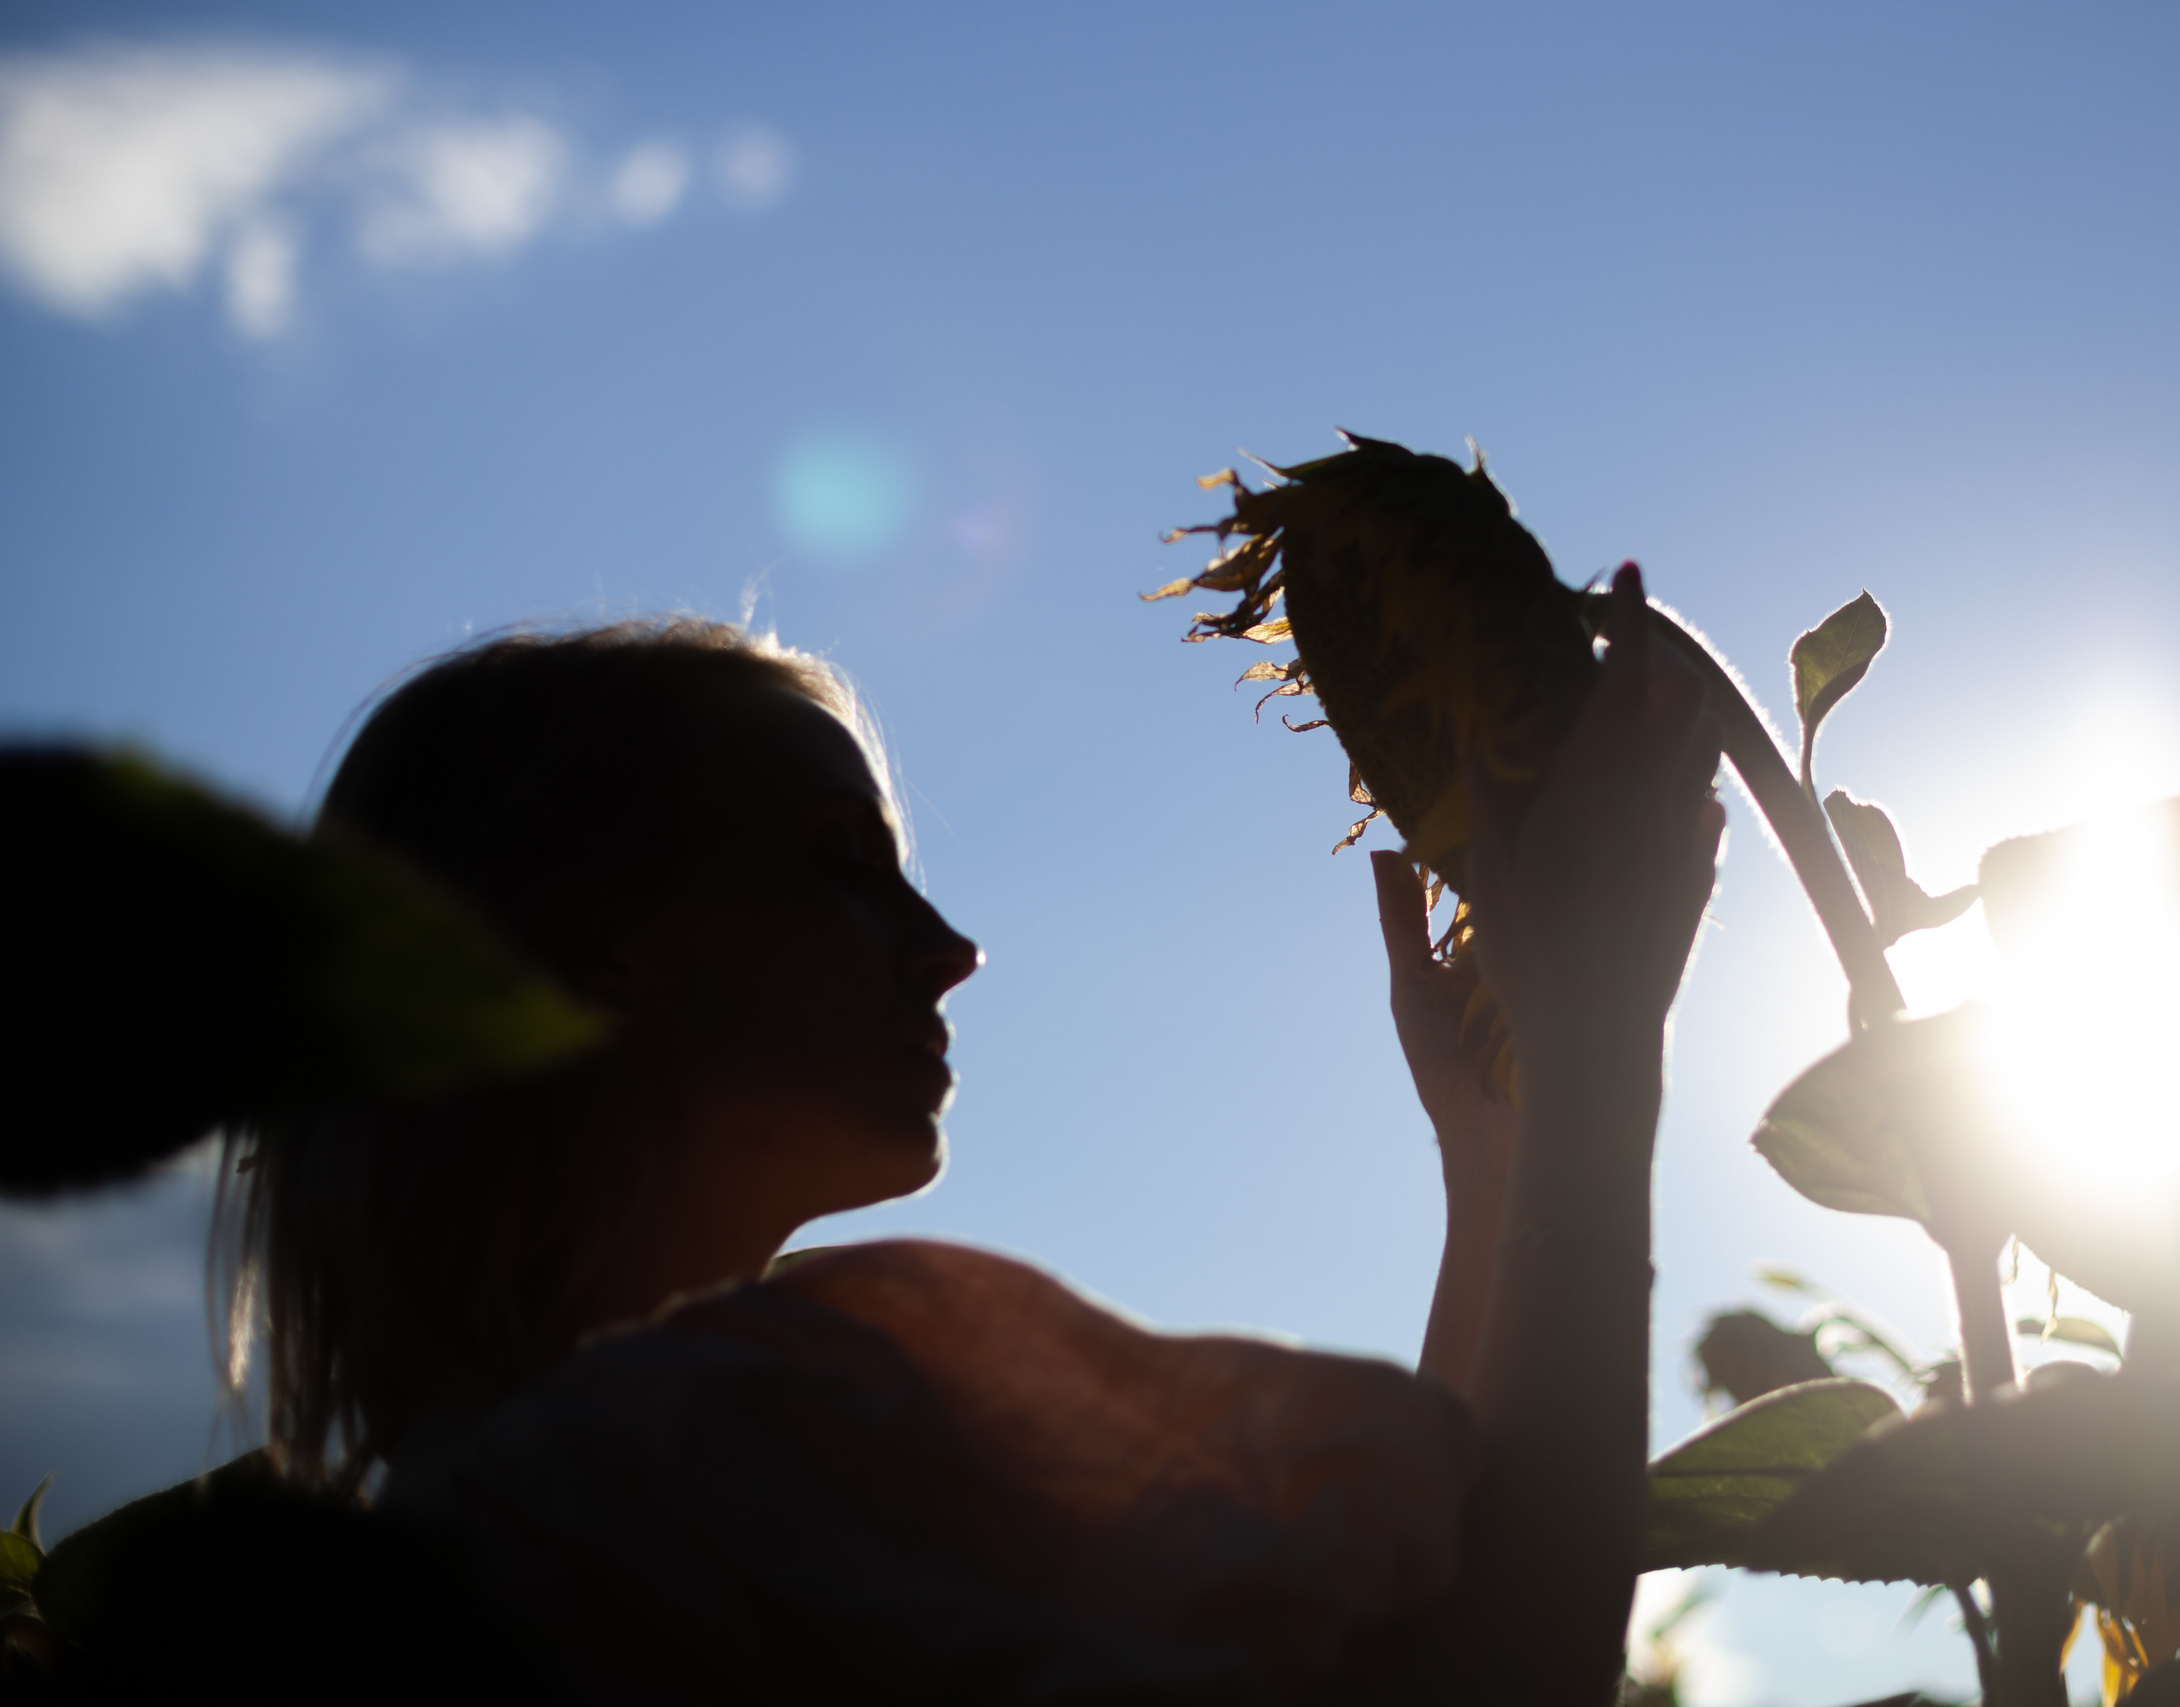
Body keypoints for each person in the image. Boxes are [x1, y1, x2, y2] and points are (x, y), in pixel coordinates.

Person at [222, 563, 1726, 1704]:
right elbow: (1497, 1664)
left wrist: (1493, 1173)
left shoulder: (509, 1515)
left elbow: (1405, 1614)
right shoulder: (736, 1429)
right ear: (597, 949)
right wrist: (1598, 1062)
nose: (951, 948)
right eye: (838, 865)